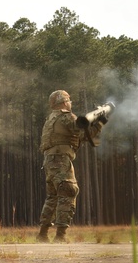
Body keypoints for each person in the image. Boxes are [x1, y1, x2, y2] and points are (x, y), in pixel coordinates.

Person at [37, 89, 105, 243]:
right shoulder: (66, 116)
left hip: (49, 161)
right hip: (61, 160)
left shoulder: (50, 118)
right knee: (68, 192)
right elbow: (85, 135)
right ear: (64, 101)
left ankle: (42, 234)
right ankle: (60, 236)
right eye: (69, 100)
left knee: (52, 197)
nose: (70, 103)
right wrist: (100, 122)